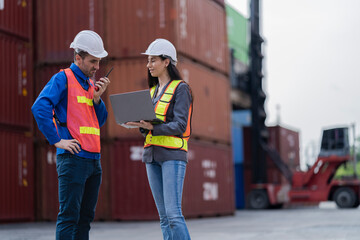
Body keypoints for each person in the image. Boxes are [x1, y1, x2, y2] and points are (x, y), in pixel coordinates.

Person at [32, 30, 110, 240]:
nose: (97, 67)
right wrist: (57, 141)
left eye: (99, 61)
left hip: (94, 161)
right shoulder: (62, 78)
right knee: (69, 218)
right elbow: (39, 107)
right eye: (93, 61)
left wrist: (97, 100)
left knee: (85, 218)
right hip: (73, 159)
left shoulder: (91, 85)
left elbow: (99, 121)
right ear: (78, 58)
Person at [126, 39, 193, 240]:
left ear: (167, 62)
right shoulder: (152, 91)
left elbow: (180, 125)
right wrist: (139, 125)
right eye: (148, 60)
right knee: (164, 218)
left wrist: (152, 127)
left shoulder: (181, 89)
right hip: (152, 156)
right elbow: (149, 130)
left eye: (153, 60)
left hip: (172, 155)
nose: (149, 65)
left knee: (173, 215)